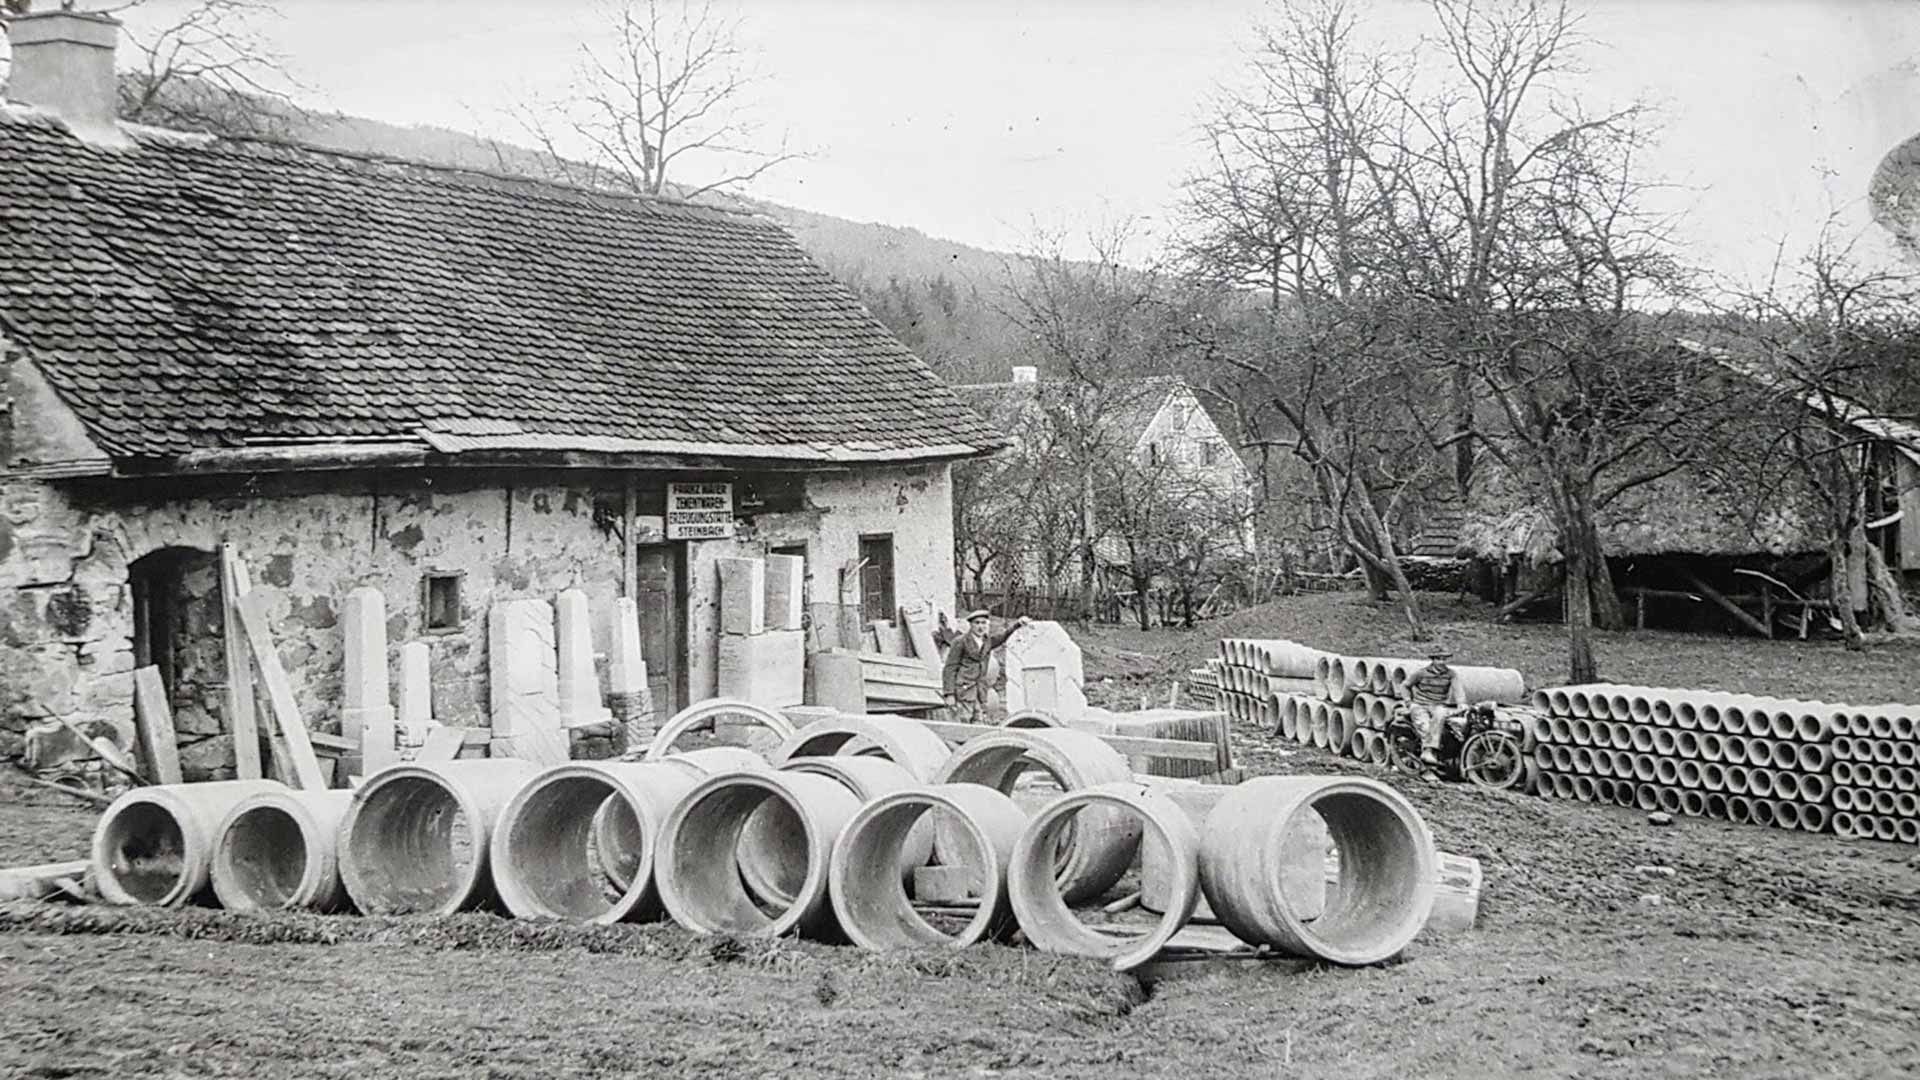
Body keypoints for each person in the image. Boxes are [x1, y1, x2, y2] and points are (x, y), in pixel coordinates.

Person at [941, 609, 1031, 723]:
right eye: (977, 623)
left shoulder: (987, 641)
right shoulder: (960, 642)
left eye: (983, 623)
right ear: (971, 625)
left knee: (979, 720)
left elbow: (1003, 636)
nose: (980, 626)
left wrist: (1017, 624)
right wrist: (949, 694)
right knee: (962, 721)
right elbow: (950, 668)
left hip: (980, 690)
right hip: (963, 690)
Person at [1402, 647, 1469, 768]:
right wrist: (1409, 702)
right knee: (1425, 725)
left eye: (1444, 659)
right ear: (1433, 660)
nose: (1442, 662)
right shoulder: (1421, 673)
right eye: (1438, 659)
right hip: (1420, 704)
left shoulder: (1451, 674)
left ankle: (1432, 752)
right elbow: (1405, 686)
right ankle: (1426, 752)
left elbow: (1458, 689)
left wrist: (1461, 703)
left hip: (1438, 705)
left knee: (1441, 715)